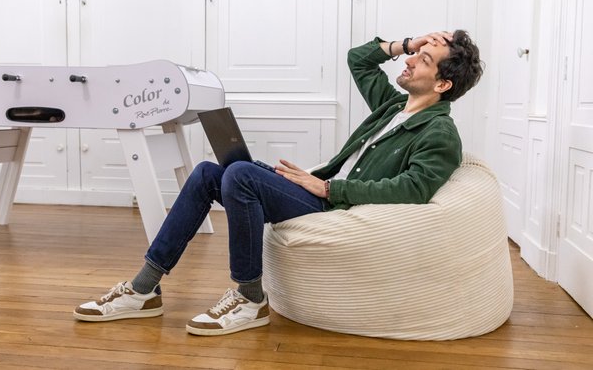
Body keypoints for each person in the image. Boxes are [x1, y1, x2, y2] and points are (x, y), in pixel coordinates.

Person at [74, 30, 484, 336]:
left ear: (442, 84)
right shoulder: (393, 105)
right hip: (318, 190)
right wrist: (408, 42)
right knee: (207, 173)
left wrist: (328, 188)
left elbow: (414, 189)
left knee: (240, 175)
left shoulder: (439, 132)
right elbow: (358, 59)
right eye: (415, 54)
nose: (409, 61)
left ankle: (250, 298)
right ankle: (143, 290)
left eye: (423, 60)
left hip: (335, 206)